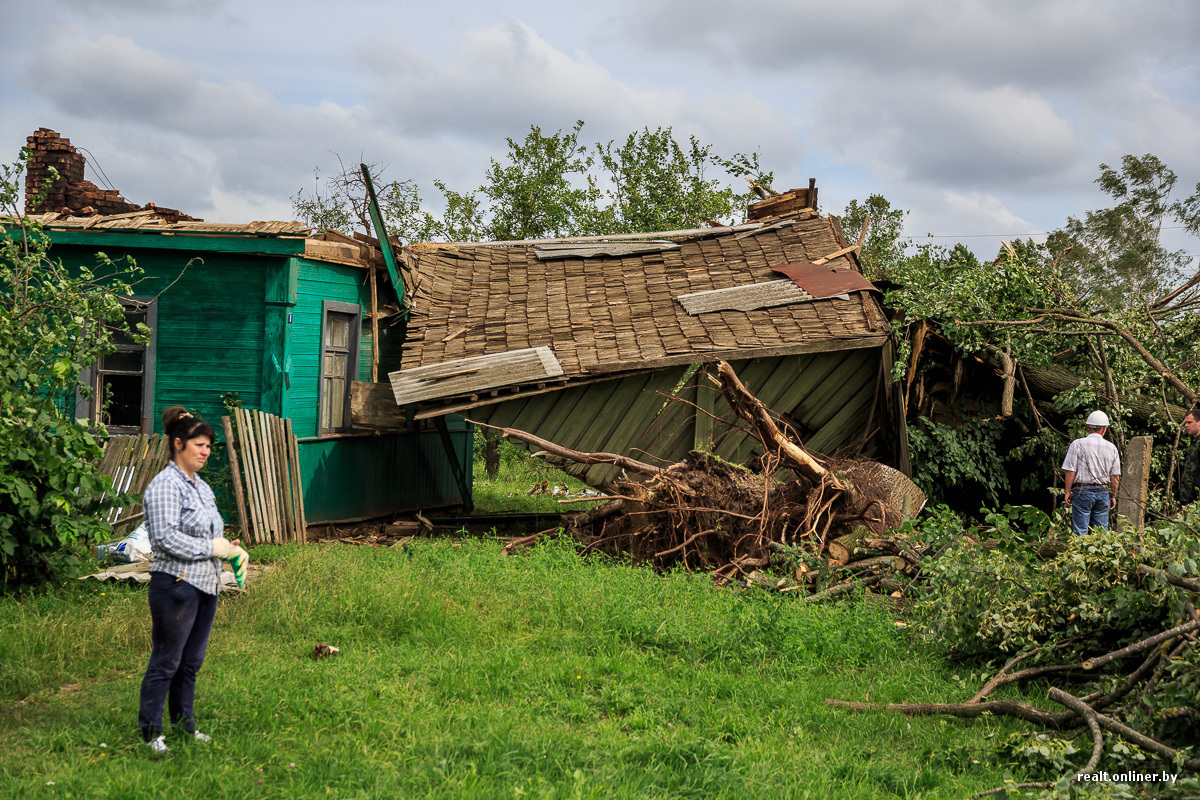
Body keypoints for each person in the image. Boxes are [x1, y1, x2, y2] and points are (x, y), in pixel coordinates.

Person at [137, 406, 247, 754]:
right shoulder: (165, 486)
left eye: (209, 446)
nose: (205, 451)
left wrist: (230, 548)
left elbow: (211, 533)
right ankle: (151, 733)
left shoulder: (202, 487)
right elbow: (165, 539)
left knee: (191, 662)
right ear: (178, 444)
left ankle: (185, 726)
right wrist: (211, 547)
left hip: (205, 585)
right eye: (199, 444)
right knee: (166, 661)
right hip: (175, 586)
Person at [1062, 410, 1122, 536]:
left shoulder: (1077, 444)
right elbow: (1115, 475)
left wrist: (1067, 491)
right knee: (1101, 533)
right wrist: (1113, 495)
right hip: (1103, 491)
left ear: (1088, 427)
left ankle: (1079, 553)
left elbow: (1070, 471)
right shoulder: (1112, 448)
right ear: (1104, 429)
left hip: (1082, 491)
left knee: (1080, 531)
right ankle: (1100, 555)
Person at [1178, 408, 1200, 504]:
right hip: (1188, 496)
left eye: (1189, 422)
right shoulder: (1195, 442)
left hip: (1195, 497)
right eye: (1185, 423)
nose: (1186, 425)